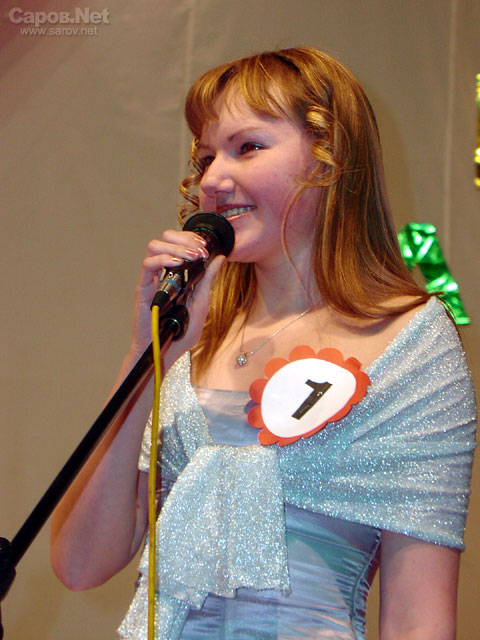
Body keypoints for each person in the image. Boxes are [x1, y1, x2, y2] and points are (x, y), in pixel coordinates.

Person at [50, 47, 477, 639]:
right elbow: (79, 564)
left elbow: (418, 619)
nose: (213, 180)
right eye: (205, 157)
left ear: (330, 159)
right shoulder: (193, 335)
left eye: (247, 147)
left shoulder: (410, 343)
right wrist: (148, 356)